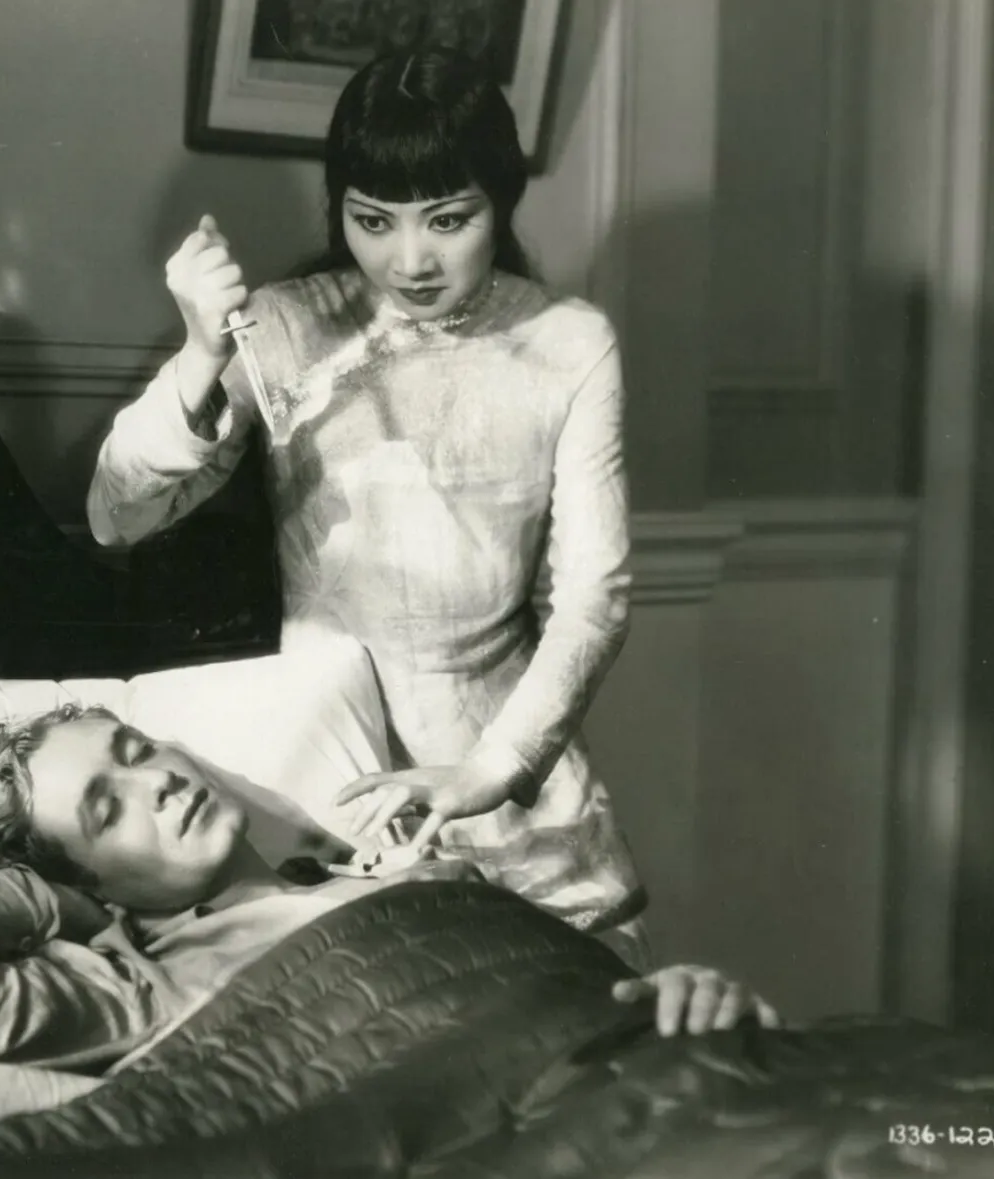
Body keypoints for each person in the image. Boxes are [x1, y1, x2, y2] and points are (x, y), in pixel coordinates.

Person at [87, 48, 646, 965]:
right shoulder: (283, 325)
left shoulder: (570, 342)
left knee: (594, 1019)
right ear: (339, 208)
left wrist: (491, 770)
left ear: (501, 202)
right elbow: (118, 515)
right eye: (373, 220)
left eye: (449, 219)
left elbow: (596, 594)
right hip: (323, 771)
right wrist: (199, 353)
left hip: (507, 772)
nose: (409, 259)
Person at [0, 704, 778, 1074]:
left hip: (664, 1065)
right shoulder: (144, 981)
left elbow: (566, 986)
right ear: (89, 882)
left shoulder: (397, 864)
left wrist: (676, 994)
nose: (158, 783)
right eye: (107, 810)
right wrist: (42, 905)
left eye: (137, 751)